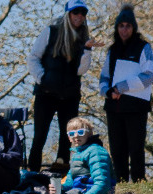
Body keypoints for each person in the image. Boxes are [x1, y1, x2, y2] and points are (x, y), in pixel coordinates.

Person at [26, 0, 100, 172]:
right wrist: (42, 79)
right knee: (39, 136)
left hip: (70, 94)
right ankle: (32, 173)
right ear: (68, 14)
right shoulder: (51, 32)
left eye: (83, 13)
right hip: (46, 93)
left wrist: (87, 50)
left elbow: (82, 70)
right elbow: (33, 57)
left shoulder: (83, 38)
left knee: (68, 135)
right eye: (76, 12)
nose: (79, 16)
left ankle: (61, 171)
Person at [98, 6, 153, 183]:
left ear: (134, 28)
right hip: (114, 107)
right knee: (117, 148)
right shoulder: (112, 49)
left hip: (136, 106)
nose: (124, 30)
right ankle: (120, 181)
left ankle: (139, 180)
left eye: (128, 26)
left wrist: (122, 87)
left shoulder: (143, 47)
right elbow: (104, 77)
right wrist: (108, 92)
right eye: (121, 26)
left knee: (135, 146)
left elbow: (149, 76)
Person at [30, 116, 113, 194]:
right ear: (69, 137)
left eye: (81, 132)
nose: (76, 136)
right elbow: (70, 183)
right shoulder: (77, 154)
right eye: (72, 134)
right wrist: (59, 189)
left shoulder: (96, 151)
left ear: (90, 133)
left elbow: (103, 185)